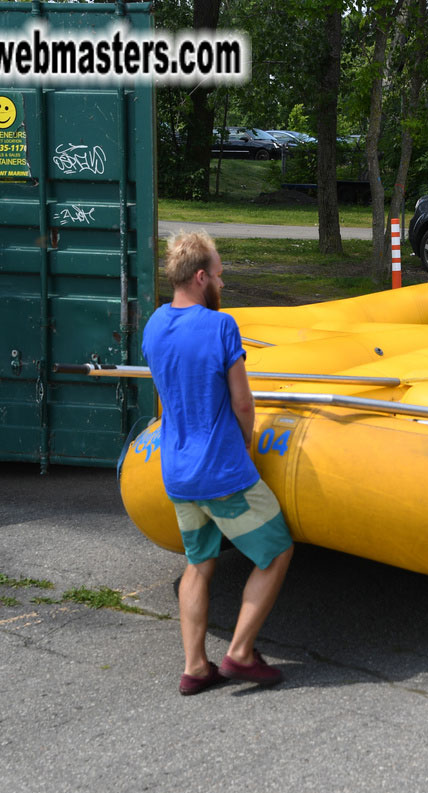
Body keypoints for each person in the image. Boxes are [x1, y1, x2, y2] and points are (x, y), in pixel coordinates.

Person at [141, 231, 294, 696]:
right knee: (277, 552)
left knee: (199, 563)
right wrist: (245, 446)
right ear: (201, 276)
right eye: (220, 274)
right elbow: (243, 405)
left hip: (178, 472)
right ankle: (241, 652)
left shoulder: (153, 325)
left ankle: (195, 668)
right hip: (222, 472)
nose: (223, 282)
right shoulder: (221, 326)